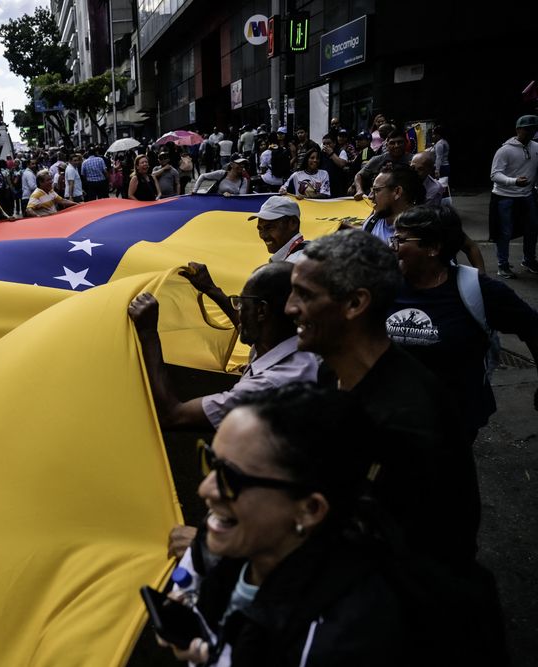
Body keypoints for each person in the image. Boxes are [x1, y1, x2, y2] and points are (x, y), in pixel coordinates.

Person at [160, 384, 410, 666]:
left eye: (231, 476)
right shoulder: (232, 537)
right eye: (210, 460)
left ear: (309, 510)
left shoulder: (340, 640)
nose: (205, 489)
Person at [284, 229, 475, 564]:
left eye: (305, 295)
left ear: (355, 304)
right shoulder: (331, 373)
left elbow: (420, 551)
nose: (289, 308)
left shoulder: (409, 422)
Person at [387, 204, 538, 461]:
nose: (393, 247)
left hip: (454, 421)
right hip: (392, 417)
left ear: (434, 248)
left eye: (401, 240)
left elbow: (533, 329)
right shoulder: (383, 285)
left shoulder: (479, 290)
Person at [129, 260, 319, 436]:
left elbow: (172, 416)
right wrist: (211, 289)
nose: (238, 311)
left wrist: (147, 333)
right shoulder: (297, 349)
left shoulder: (268, 385)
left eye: (241, 303)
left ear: (261, 311)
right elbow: (246, 327)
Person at [489, 114, 538, 278]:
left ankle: (529, 260)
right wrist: (513, 181)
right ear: (518, 129)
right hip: (505, 196)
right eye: (527, 129)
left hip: (527, 195)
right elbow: (495, 175)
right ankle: (502, 265)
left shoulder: (536, 147)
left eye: (533, 128)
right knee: (504, 232)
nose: (530, 132)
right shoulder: (505, 150)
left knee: (532, 229)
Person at [354, 130, 411, 198]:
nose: (396, 146)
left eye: (400, 142)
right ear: (387, 145)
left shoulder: (414, 160)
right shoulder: (377, 159)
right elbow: (359, 175)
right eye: (392, 143)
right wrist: (359, 190)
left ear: (406, 143)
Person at [250, 196, 308, 262]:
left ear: (293, 223)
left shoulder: (297, 263)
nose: (263, 235)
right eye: (260, 229)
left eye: (269, 228)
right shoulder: (297, 258)